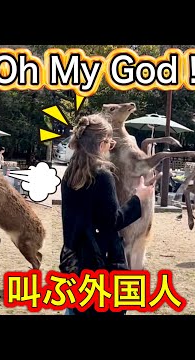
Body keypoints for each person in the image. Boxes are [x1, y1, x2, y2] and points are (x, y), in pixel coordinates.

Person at [59, 113, 156, 317]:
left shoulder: (69, 174)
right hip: (101, 264)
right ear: (102, 143)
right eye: (110, 143)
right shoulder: (102, 175)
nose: (110, 147)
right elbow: (112, 222)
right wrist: (139, 198)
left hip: (74, 261)